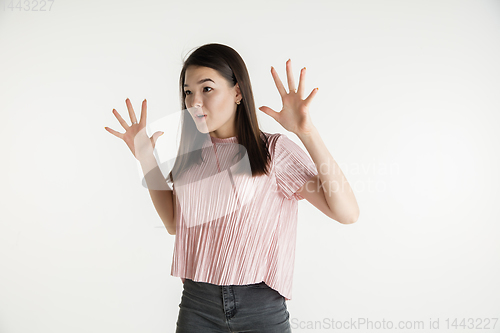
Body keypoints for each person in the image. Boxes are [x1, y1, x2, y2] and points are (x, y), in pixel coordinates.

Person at [105, 43, 359, 333]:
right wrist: (148, 161)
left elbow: (347, 213)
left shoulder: (273, 151)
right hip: (197, 305)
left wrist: (307, 133)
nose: (194, 102)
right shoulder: (191, 156)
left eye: (207, 89)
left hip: (260, 307)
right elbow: (174, 223)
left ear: (237, 92)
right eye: (188, 92)